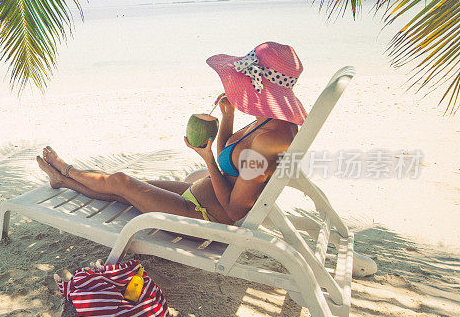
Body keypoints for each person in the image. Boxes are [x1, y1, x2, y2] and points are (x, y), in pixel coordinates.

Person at [36, 42, 308, 224]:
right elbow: (233, 158)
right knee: (125, 190)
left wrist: (207, 160)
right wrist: (228, 116)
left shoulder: (269, 138)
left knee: (122, 182)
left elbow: (235, 210)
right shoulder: (269, 122)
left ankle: (66, 169)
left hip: (202, 216)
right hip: (200, 194)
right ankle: (63, 181)